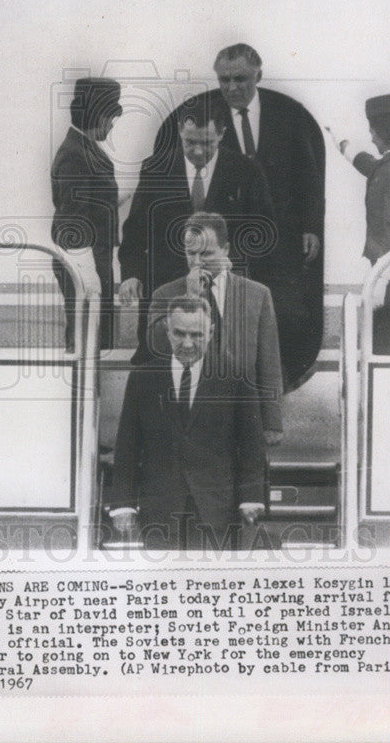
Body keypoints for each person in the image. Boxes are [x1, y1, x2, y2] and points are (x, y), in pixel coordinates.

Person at [151, 43, 325, 387]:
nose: (232, 87)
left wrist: (311, 226)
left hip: (279, 240)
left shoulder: (288, 115)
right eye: (224, 79)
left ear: (258, 75)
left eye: (241, 79)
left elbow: (309, 174)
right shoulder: (203, 115)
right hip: (224, 241)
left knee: (275, 313)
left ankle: (277, 385)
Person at [118, 95, 274, 363]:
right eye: (190, 142)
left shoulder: (246, 171)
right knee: (158, 369)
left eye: (207, 143)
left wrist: (232, 267)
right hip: (166, 289)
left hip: (224, 291)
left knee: (221, 368)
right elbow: (135, 231)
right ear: (180, 131)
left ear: (222, 134)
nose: (198, 151)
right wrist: (131, 274)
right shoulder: (156, 169)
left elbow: (263, 234)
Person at [110, 295, 268, 550]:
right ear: (167, 330)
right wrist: (123, 503)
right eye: (179, 333)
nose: (187, 343)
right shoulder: (143, 378)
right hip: (159, 511)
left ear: (212, 332)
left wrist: (251, 496)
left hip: (216, 510)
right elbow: (127, 445)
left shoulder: (236, 377)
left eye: (197, 335)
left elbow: (252, 444)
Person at [146, 211, 283, 444]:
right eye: (191, 254)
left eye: (206, 254)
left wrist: (272, 423)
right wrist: (189, 297)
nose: (198, 262)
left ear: (226, 249)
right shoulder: (165, 294)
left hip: (241, 414)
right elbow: (156, 346)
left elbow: (268, 363)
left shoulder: (257, 295)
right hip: (186, 413)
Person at [328, 93, 390, 355]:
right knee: (386, 346)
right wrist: (341, 143)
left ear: (387, 131)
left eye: (373, 131)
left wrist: (380, 283)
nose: (371, 137)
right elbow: (369, 165)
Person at [51, 76, 122, 350]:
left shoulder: (82, 148)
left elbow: (88, 203)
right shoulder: (75, 155)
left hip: (91, 259)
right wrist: (88, 274)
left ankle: (91, 393)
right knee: (86, 340)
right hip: (83, 262)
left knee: (94, 339)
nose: (113, 124)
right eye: (110, 116)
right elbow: (72, 221)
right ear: (96, 114)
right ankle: (85, 393)